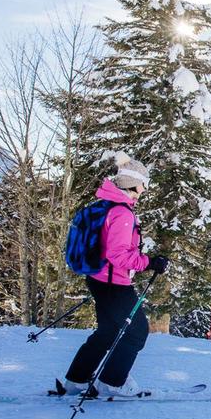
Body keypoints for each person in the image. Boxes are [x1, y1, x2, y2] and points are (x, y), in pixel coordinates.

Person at [62, 157, 169, 397]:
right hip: (113, 283)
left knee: (108, 331)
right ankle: (112, 382)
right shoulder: (121, 212)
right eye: (143, 185)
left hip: (98, 279)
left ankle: (77, 379)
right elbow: (118, 255)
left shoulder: (107, 204)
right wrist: (150, 262)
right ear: (133, 183)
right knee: (137, 332)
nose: (144, 191)